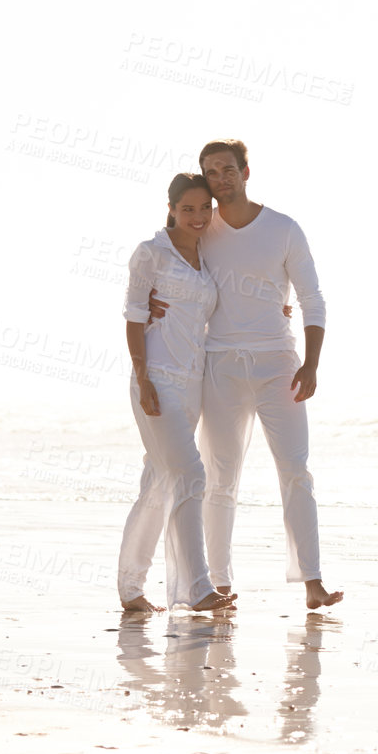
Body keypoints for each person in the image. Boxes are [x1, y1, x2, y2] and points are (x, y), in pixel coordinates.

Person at [150, 139, 343, 611]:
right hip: (219, 365)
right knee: (220, 476)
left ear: (246, 171)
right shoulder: (200, 227)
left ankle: (312, 581)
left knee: (296, 471)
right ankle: (217, 581)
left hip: (279, 363)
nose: (221, 178)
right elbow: (163, 259)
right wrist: (153, 299)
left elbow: (312, 298)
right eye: (211, 171)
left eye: (228, 169)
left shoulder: (284, 229)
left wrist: (312, 362)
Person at [117, 173, 236, 616]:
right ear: (171, 208)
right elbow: (132, 315)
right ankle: (197, 588)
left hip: (194, 383)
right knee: (191, 475)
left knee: (159, 482)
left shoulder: (208, 254)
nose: (198, 216)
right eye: (188, 209)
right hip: (156, 380)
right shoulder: (151, 253)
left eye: (205, 208)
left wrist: (278, 306)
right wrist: (143, 378)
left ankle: (130, 588)